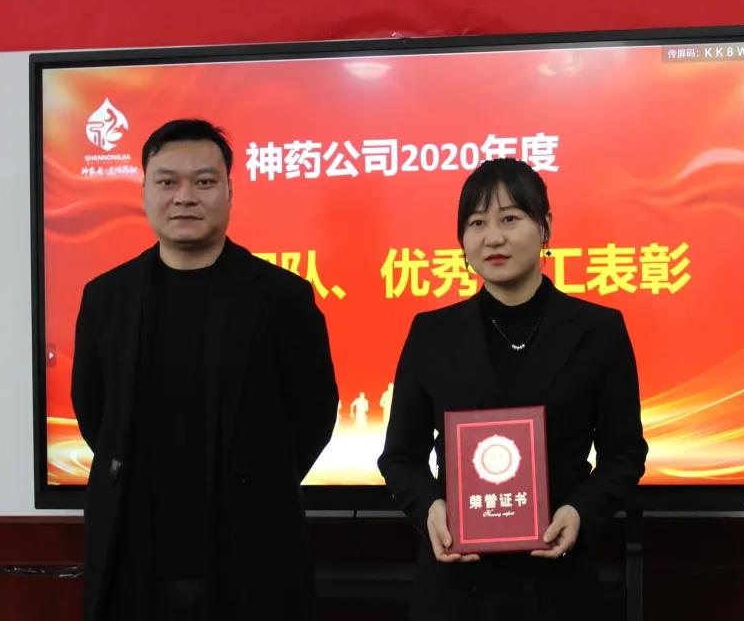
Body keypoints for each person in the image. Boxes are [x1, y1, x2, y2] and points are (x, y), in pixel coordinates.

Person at [71, 118, 338, 621]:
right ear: (145, 190)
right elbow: (95, 414)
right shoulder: (107, 298)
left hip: (251, 552)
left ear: (230, 192)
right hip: (132, 554)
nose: (185, 197)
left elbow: (315, 414)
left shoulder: (282, 297)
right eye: (167, 181)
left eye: (204, 181)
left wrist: (261, 481)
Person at [378, 158, 647, 620]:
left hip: (558, 580)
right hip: (456, 585)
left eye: (509, 218)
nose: (492, 237)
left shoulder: (598, 330)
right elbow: (401, 457)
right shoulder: (431, 334)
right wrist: (430, 509)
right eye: (476, 223)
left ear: (546, 228)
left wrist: (580, 513)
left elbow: (624, 454)